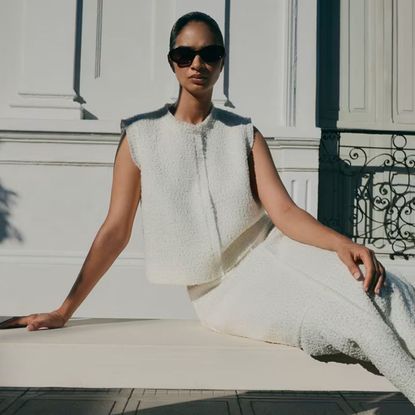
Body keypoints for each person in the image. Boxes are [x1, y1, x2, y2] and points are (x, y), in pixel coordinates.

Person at [1, 10, 415, 406]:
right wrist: (64, 309)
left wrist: (342, 243)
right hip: (225, 292)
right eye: (185, 55)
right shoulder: (140, 137)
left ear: (221, 63)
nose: (197, 63)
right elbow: (115, 230)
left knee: (383, 290)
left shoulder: (244, 134)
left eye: (209, 54)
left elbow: (285, 212)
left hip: (277, 254)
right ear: (173, 63)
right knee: (355, 320)